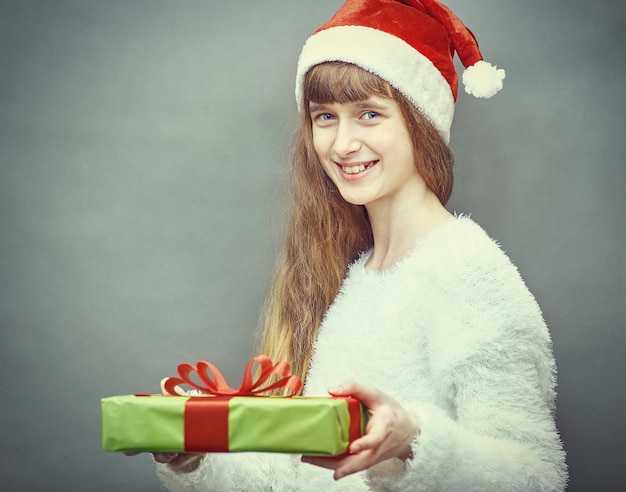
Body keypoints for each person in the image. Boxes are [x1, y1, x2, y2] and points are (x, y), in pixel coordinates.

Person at [132, 0, 568, 490]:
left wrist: (413, 442)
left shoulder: (470, 270)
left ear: (420, 123)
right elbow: (300, 475)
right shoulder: (356, 275)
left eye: (368, 114)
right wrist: (193, 458)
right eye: (325, 117)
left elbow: (536, 476)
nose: (342, 144)